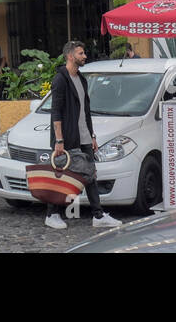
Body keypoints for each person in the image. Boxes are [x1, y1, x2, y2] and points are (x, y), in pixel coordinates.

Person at [44, 41, 120, 231]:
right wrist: (59, 140)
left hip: (84, 136)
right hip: (67, 138)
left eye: (83, 53)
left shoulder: (82, 79)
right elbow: (56, 112)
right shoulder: (60, 79)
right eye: (81, 53)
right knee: (61, 176)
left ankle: (98, 215)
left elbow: (85, 111)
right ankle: (51, 214)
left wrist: (92, 136)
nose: (84, 56)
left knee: (90, 175)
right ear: (70, 56)